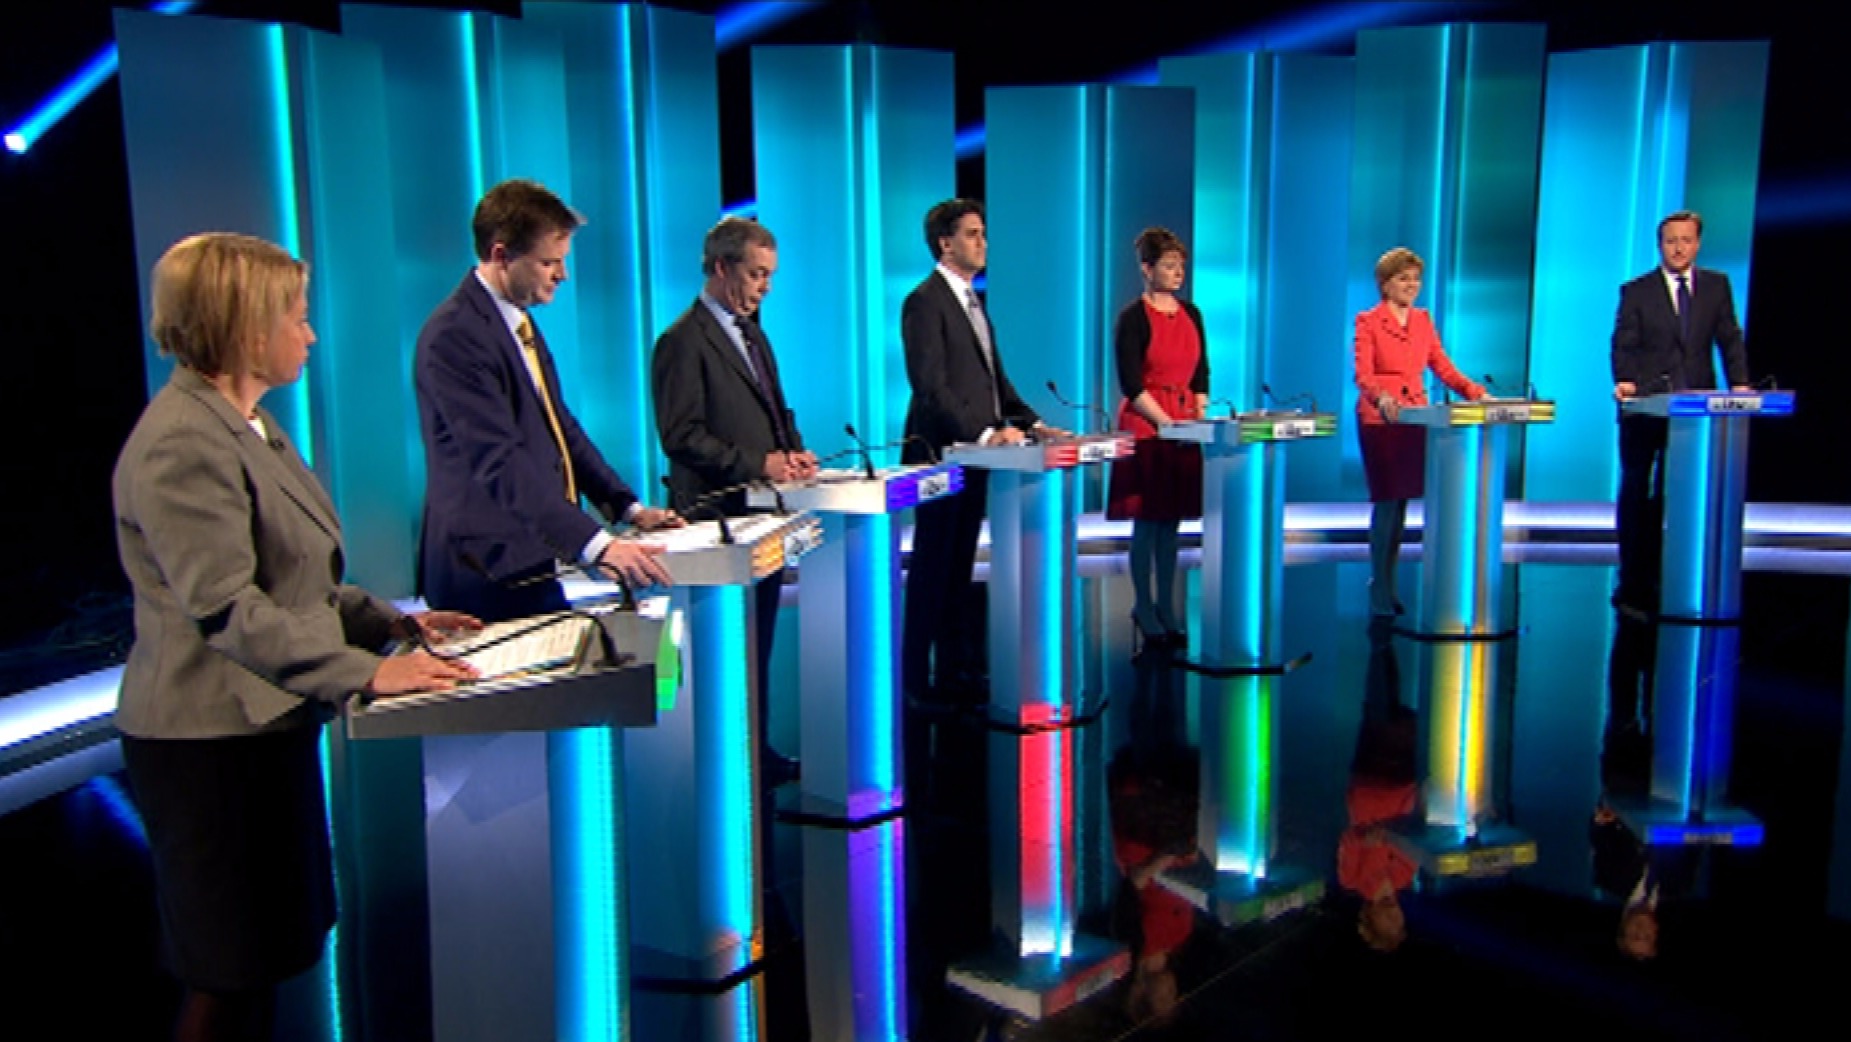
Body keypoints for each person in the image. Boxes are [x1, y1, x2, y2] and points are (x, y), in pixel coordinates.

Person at [112, 233, 480, 1041]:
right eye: (297, 318)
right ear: (247, 328)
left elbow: (297, 580)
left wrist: (393, 624)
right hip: (208, 746)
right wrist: (366, 674)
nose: (310, 335)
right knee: (228, 975)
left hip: (263, 730)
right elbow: (226, 609)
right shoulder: (181, 441)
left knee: (267, 960)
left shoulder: (249, 427)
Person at [415, 178, 679, 625]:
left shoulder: (517, 322)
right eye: (549, 262)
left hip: (527, 556)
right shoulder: (454, 336)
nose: (562, 275)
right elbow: (498, 460)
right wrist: (597, 546)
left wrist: (627, 508)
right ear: (502, 255)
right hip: (483, 570)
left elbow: (559, 427)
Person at [651, 216, 814, 785]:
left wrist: (791, 453)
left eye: (769, 275)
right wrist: (757, 464)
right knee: (721, 655)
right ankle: (719, 765)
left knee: (757, 644)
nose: (764, 286)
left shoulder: (753, 334)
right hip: (714, 522)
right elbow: (681, 436)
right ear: (721, 268)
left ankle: (756, 753)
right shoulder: (681, 342)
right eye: (756, 274)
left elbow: (775, 410)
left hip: (762, 520)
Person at [899, 198, 1067, 702]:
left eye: (983, 233)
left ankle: (955, 670)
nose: (983, 243)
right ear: (945, 243)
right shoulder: (924, 301)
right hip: (941, 455)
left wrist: (1034, 423)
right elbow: (931, 387)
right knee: (933, 569)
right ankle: (914, 681)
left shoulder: (973, 302)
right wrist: (987, 434)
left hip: (977, 457)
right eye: (972, 234)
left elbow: (995, 382)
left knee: (959, 568)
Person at [1609, 210, 1752, 614]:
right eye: (1671, 241)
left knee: (1680, 492)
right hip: (1646, 407)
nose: (1678, 248)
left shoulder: (1716, 286)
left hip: (1695, 413)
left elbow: (1729, 338)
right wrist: (1625, 380)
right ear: (1660, 245)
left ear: (1698, 244)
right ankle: (1633, 579)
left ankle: (1677, 575)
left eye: (1686, 240)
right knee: (1638, 490)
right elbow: (1622, 344)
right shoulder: (1636, 291)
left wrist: (1740, 383)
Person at [1353, 247, 1485, 617]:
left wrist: (1476, 393)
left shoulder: (1423, 320)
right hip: (1381, 419)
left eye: (1415, 279)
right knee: (1387, 501)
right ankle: (1379, 585)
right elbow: (1363, 374)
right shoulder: (1368, 321)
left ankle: (1389, 583)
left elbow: (1442, 366)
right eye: (1403, 279)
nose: (1411, 285)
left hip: (1415, 417)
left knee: (1403, 504)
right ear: (1385, 284)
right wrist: (1381, 396)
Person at [1106, 227, 1208, 651]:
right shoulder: (1132, 317)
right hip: (1148, 426)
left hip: (1185, 424)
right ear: (1147, 269)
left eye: (1181, 266)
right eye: (1168, 265)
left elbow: (1201, 374)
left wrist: (1198, 415)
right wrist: (1167, 424)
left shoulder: (1192, 313)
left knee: (1172, 522)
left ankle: (1167, 603)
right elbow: (1131, 383)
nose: (1177, 273)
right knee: (1147, 523)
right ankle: (1143, 605)